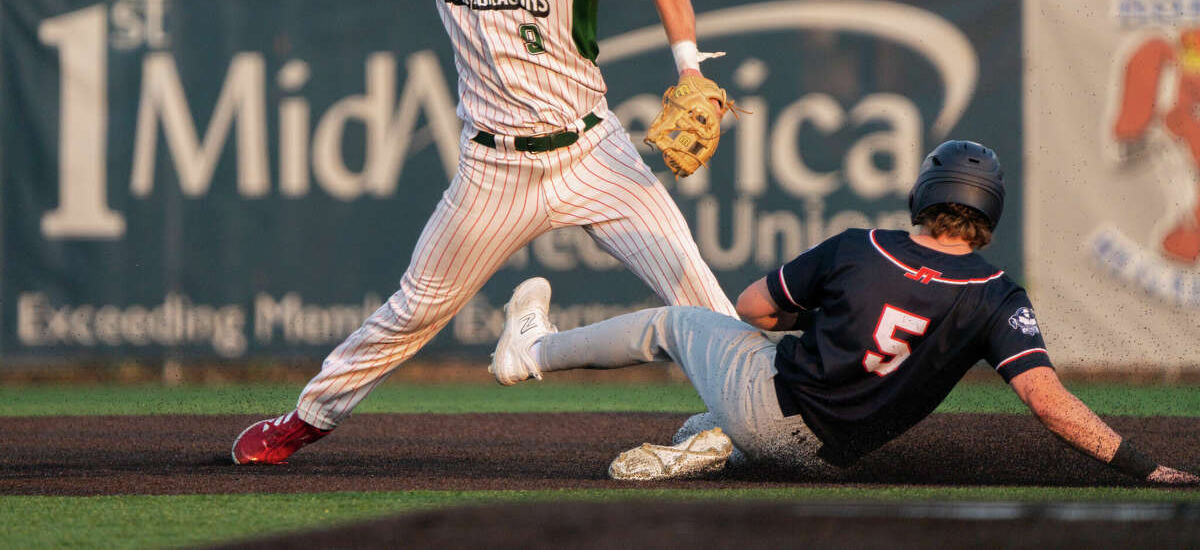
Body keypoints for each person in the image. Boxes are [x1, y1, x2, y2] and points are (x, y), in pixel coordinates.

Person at [230, 0, 739, 465]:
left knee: (690, 281)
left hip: (594, 152)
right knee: (415, 310)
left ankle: (761, 410)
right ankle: (302, 422)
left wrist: (692, 71)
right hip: (494, 170)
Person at [489, 140, 1200, 484]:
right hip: (831, 458)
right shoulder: (996, 293)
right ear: (991, 211)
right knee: (714, 416)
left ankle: (531, 351)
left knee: (671, 324)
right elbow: (1047, 402)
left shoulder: (861, 249)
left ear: (925, 191)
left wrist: (828, 320)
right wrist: (1146, 467)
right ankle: (713, 443)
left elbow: (752, 310)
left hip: (771, 402)